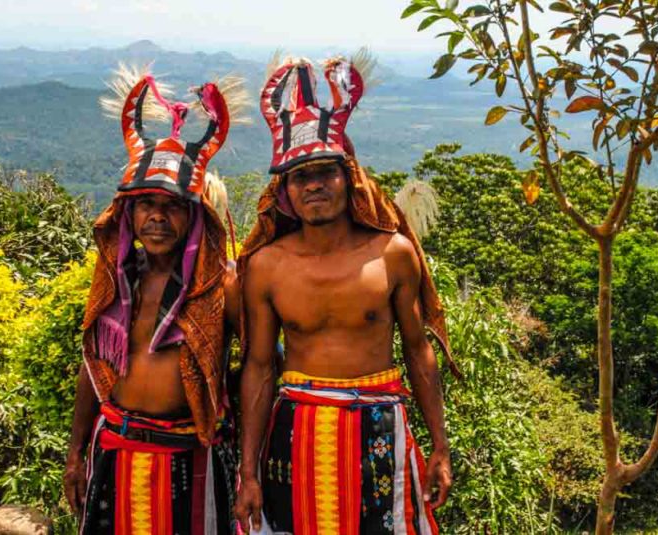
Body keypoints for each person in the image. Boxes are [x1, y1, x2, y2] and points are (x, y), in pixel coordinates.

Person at [234, 53, 460, 535]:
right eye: (300, 176)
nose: (314, 185)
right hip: (295, 434)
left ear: (348, 177)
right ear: (285, 191)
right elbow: (258, 365)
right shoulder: (266, 267)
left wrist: (439, 446)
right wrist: (248, 471)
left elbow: (418, 350)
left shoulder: (393, 254)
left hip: (381, 426)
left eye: (325, 172)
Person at [63, 66, 246, 534]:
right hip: (114, 453)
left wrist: (249, 458)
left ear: (194, 215)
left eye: (171, 206)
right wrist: (76, 452)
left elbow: (262, 366)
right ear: (129, 213)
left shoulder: (223, 285)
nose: (157, 218)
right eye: (146, 205)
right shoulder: (116, 284)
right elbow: (94, 367)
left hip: (192, 460)